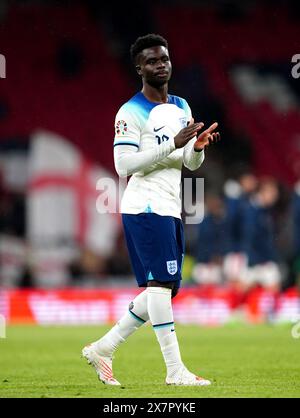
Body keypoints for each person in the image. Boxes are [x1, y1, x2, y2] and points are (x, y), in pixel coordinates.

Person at [82, 34, 219, 386]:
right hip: (143, 206)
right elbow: (123, 165)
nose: (161, 65)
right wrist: (172, 143)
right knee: (159, 287)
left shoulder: (182, 106)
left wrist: (197, 148)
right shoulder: (129, 112)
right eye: (153, 61)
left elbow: (187, 161)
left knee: (164, 289)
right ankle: (175, 371)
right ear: (139, 68)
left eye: (165, 59)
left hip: (170, 206)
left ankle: (103, 347)